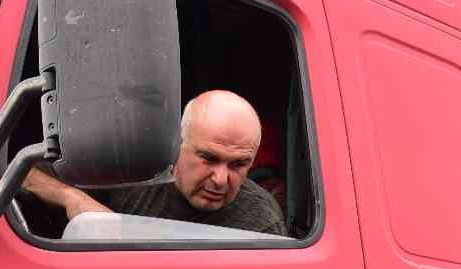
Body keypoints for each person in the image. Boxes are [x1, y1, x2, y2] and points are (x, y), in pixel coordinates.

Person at [23, 89, 288, 235]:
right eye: (208, 158)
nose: (220, 179)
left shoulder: (262, 225)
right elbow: (24, 174)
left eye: (238, 165)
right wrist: (72, 198)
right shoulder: (132, 168)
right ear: (177, 143)